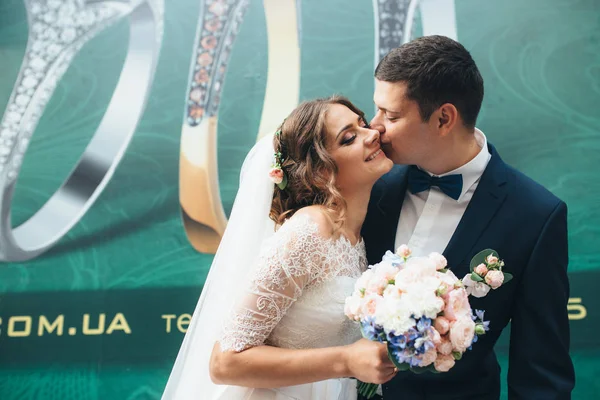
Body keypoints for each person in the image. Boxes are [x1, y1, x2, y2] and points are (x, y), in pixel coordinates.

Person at [362, 35, 575, 399]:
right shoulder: (368, 185)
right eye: (377, 109)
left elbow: (542, 374)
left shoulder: (535, 216)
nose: (374, 125)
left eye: (391, 115)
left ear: (444, 118)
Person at [162, 96, 396, 400]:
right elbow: (225, 362)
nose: (372, 134)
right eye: (349, 137)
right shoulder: (310, 230)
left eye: (362, 124)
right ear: (321, 172)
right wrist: (346, 360)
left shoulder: (356, 238)